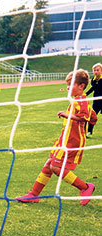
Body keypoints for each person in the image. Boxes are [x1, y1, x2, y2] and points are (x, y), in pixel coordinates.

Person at [17, 69, 96, 206]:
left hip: (73, 140)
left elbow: (84, 118)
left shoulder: (81, 100)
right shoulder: (78, 100)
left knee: (56, 167)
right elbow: (92, 117)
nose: (67, 88)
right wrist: (91, 118)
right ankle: (34, 194)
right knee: (49, 164)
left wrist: (67, 116)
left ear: (81, 86)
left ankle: (85, 187)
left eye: (71, 85)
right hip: (65, 137)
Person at [85, 63, 102, 137]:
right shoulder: (93, 80)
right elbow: (93, 88)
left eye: (97, 70)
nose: (96, 72)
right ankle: (89, 132)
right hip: (96, 101)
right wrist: (85, 94)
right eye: (94, 70)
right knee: (92, 116)